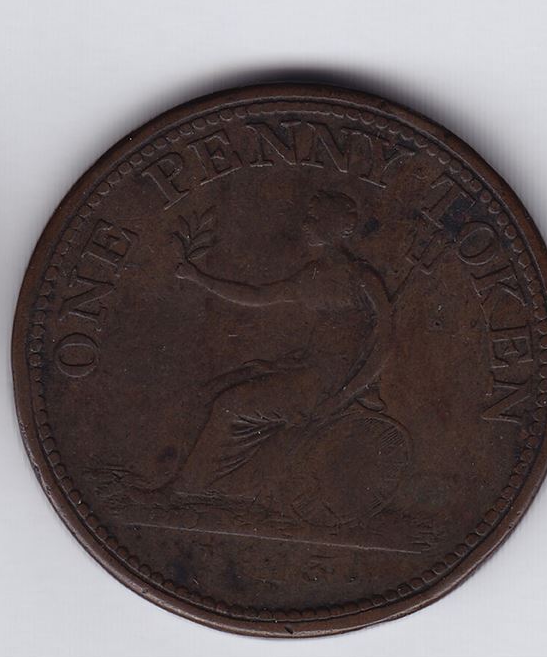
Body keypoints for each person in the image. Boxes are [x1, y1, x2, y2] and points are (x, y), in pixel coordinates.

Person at [147, 189, 394, 494]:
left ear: (334, 224)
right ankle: (203, 483)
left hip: (326, 384)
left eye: (314, 217)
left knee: (228, 405)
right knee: (210, 390)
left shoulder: (362, 278)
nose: (305, 223)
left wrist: (342, 397)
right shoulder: (312, 276)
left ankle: (183, 490)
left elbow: (384, 343)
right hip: (303, 370)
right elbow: (258, 295)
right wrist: (199, 278)